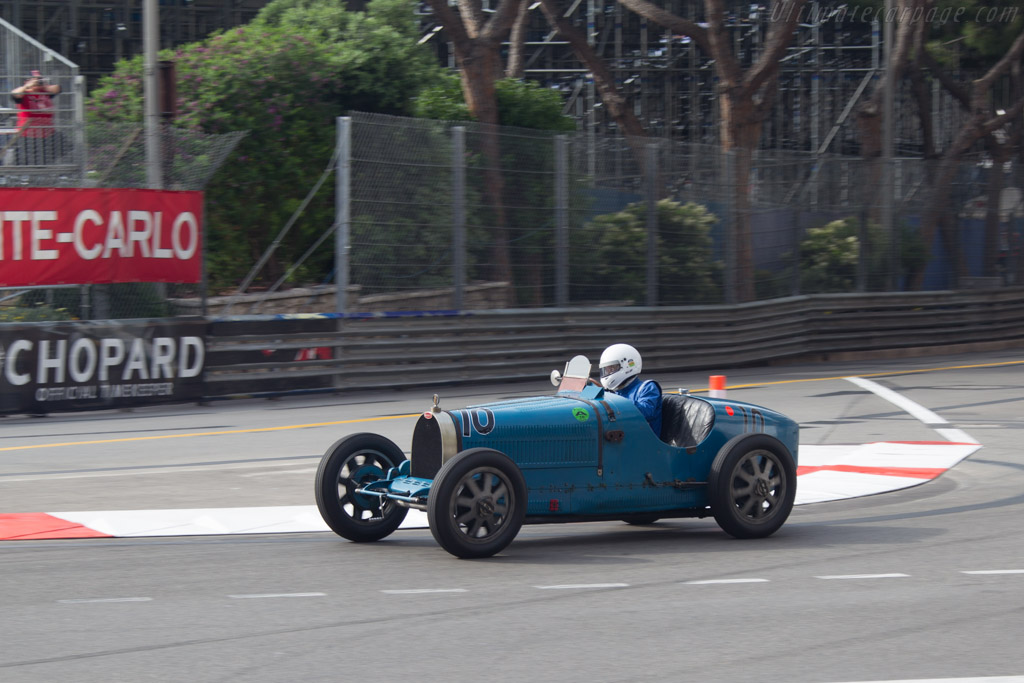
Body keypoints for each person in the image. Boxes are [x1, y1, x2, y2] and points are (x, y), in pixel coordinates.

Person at [598, 343, 662, 436]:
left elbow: (646, 412)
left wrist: (615, 403)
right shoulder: (614, 392)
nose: (608, 372)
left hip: (643, 442)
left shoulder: (647, 387)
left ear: (627, 365)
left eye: (611, 369)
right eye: (606, 370)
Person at [10, 71, 62, 165]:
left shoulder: (45, 92)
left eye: (39, 79)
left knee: (51, 155)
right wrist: (28, 86)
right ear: (27, 81)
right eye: (35, 79)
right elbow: (15, 93)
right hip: (28, 133)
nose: (38, 81)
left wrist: (44, 85)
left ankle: (43, 176)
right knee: (27, 160)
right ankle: (20, 176)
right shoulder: (24, 93)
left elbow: (57, 88)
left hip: (47, 133)